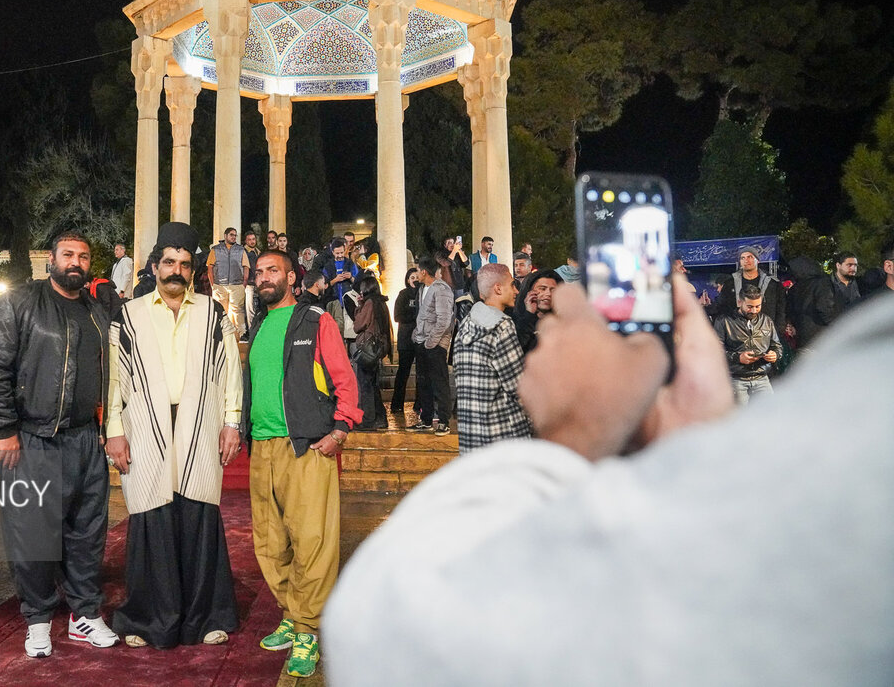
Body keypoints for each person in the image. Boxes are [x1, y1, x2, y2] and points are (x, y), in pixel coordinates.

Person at [327, 273, 894, 687]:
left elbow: (379, 632)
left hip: (485, 444)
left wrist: (576, 430)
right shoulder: (867, 371)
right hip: (502, 435)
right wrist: (697, 450)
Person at [0, 232, 119, 659]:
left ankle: (84, 614)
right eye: (68, 255)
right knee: (32, 536)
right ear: (51, 261)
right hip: (32, 440)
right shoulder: (19, 304)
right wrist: (5, 428)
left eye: (83, 257)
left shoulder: (97, 313)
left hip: (85, 441)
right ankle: (38, 618)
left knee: (86, 534)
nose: (76, 262)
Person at [105, 222, 242, 649]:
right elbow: (116, 380)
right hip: (145, 424)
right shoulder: (128, 314)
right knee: (152, 519)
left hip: (200, 424)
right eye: (169, 262)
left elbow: (230, 371)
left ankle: (206, 617)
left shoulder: (213, 312)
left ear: (192, 268)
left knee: (199, 516)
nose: (176, 271)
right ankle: (148, 618)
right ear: (155, 265)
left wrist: (232, 422)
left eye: (184, 264)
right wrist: (113, 431)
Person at [244, 248, 360, 679]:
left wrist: (340, 430)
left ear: (292, 277)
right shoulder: (257, 325)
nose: (265, 277)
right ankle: (294, 614)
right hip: (262, 447)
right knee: (270, 544)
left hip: (306, 447)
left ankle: (309, 627)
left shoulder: (315, 321)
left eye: (273, 270)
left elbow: (344, 380)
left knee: (312, 542)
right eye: (259, 272)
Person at [452, 263, 531, 452]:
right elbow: (518, 387)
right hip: (502, 437)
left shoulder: (465, 326)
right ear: (497, 288)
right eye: (512, 284)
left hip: (471, 437)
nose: (515, 290)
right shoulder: (502, 326)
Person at [713, 283, 783, 405]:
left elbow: (777, 345)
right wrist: (737, 357)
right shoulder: (723, 321)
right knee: (739, 420)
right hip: (735, 379)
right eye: (750, 306)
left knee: (771, 416)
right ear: (740, 302)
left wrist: (775, 354)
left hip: (762, 377)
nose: (754, 310)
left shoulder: (766, 320)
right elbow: (714, 352)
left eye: (758, 306)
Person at [411, 257, 454, 434]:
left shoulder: (442, 289)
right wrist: (417, 335)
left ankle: (444, 420)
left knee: (440, 382)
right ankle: (426, 418)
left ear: (423, 272)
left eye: (417, 270)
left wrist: (431, 342)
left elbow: (444, 319)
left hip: (435, 343)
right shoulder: (422, 289)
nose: (415, 274)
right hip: (422, 341)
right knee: (423, 382)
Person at [714, 248, 788, 343]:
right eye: (742, 258)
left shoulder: (773, 284)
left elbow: (781, 308)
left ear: (758, 260)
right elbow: (722, 308)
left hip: (766, 336)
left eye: (750, 257)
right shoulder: (729, 284)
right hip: (737, 338)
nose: (746, 260)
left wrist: (778, 331)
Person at [351, 274, 393, 430]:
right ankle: (380, 418)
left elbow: (358, 325)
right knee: (373, 384)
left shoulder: (369, 303)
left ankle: (368, 420)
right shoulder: (381, 302)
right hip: (378, 349)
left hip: (368, 350)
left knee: (365, 384)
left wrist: (359, 306)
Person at [390, 268, 420, 427]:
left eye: (417, 277)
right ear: (407, 279)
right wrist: (414, 317)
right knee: (403, 372)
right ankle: (396, 404)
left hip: (421, 339)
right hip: (405, 339)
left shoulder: (423, 293)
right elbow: (397, 316)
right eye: (411, 277)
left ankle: (420, 404)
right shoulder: (403, 294)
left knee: (421, 373)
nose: (414, 279)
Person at [206, 227, 249, 338]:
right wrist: (213, 284)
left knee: (237, 309)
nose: (234, 237)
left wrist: (244, 283)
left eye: (235, 235)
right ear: (225, 236)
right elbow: (210, 267)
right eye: (231, 235)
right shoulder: (215, 249)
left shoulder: (240, 250)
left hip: (237, 284)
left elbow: (246, 266)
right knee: (221, 309)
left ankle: (241, 332)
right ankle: (221, 331)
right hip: (219, 284)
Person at [513, 268, 561, 353]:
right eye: (542, 289)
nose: (548, 294)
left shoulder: (563, 322)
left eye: (553, 290)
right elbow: (516, 349)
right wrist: (528, 315)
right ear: (529, 291)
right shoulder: (514, 322)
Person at [321, 238, 359, 306]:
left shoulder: (350, 263)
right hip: (333, 300)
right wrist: (336, 280)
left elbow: (357, 282)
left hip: (349, 299)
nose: (340, 255)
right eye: (337, 253)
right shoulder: (328, 266)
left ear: (345, 251)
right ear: (332, 252)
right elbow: (324, 285)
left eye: (342, 252)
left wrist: (350, 277)